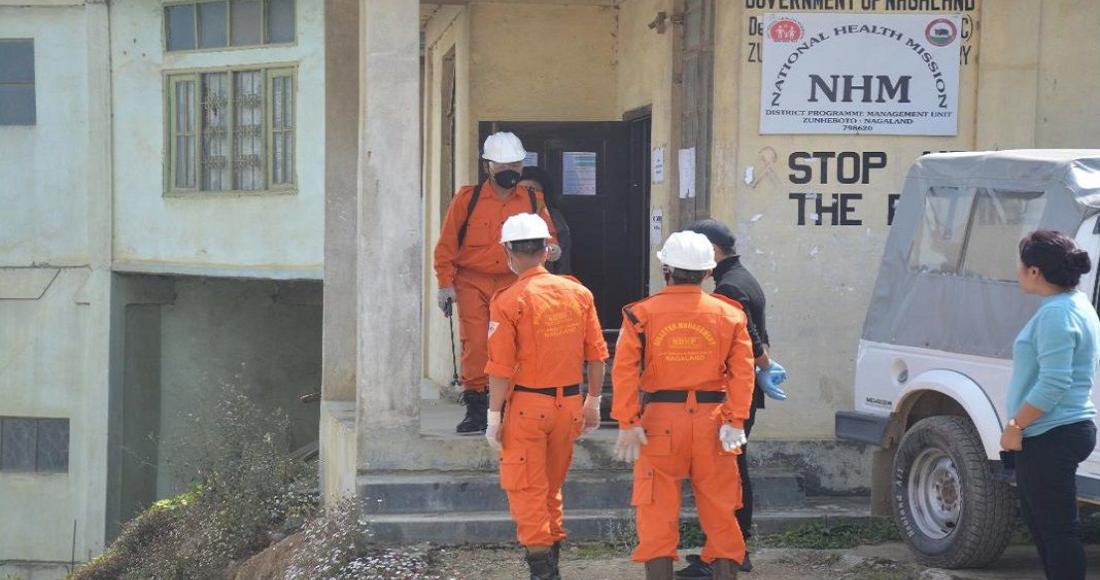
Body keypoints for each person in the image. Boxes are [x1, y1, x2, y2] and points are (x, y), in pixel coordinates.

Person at [612, 231, 756, 580]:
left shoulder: (640, 314)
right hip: (713, 421)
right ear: (708, 272)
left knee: (656, 509)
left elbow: (625, 370)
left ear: (666, 269)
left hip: (660, 422)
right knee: (721, 510)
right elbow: (743, 372)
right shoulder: (729, 315)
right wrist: (735, 420)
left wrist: (628, 421)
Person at [484, 213, 608, 580]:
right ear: (546, 250)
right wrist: (593, 402)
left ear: (508, 252)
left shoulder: (509, 300)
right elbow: (597, 356)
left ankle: (543, 573)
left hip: (528, 407)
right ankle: (551, 567)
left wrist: (493, 417)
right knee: (551, 489)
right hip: (569, 405)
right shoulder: (578, 293)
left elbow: (500, 369)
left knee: (527, 490)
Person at [676, 219, 788, 576]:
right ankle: (731, 549)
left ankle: (730, 552)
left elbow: (749, 338)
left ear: (713, 250)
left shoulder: (729, 288)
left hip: (732, 395)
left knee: (727, 476)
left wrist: (764, 364)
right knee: (732, 470)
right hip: (742, 391)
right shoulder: (742, 278)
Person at [434, 132, 562, 434]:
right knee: (477, 344)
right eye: (503, 165)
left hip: (515, 282)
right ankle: (477, 408)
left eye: (515, 165)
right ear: (487, 167)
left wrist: (553, 248)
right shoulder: (467, 200)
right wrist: (444, 284)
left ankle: (510, 405)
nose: (510, 171)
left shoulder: (532, 199)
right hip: (472, 282)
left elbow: (550, 237)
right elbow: (446, 245)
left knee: (516, 344)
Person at [1001, 230, 1098, 580]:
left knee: (1057, 533)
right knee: (1045, 529)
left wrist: (1016, 426)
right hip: (1059, 429)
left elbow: (1054, 383)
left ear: (1035, 271)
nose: (1017, 270)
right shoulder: (1074, 303)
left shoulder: (1057, 313)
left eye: (1020, 264)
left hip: (1051, 432)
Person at [519, 166, 572, 275]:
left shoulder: (554, 218)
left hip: (543, 277)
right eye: (521, 189)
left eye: (531, 189)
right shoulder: (503, 213)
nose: (526, 194)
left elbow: (563, 261)